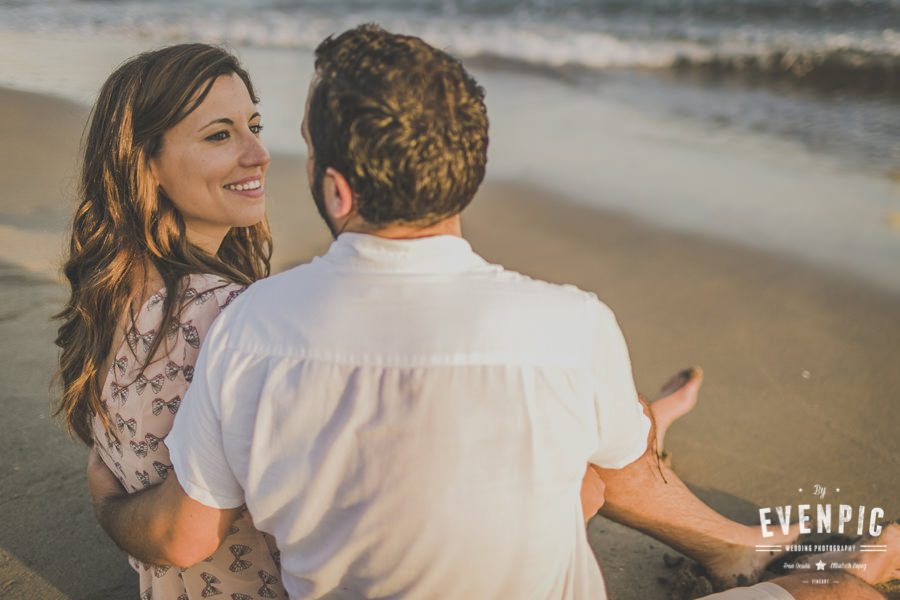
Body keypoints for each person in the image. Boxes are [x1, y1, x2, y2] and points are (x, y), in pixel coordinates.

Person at [85, 25, 887, 600]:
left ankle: (656, 449)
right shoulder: (572, 323)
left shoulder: (253, 327)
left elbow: (183, 527)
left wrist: (110, 500)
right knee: (839, 588)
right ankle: (739, 529)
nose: (259, 154)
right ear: (467, 173)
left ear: (337, 191)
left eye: (262, 131)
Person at [55, 44, 286, 599]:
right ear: (148, 165)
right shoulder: (230, 317)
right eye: (219, 135)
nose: (259, 153)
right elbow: (189, 537)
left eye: (253, 126)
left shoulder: (112, 294)